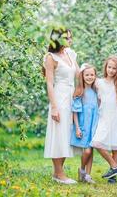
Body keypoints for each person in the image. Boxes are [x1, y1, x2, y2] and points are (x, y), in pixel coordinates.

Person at [43, 28, 80, 184]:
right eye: (67, 38)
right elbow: (50, 84)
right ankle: (59, 173)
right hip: (59, 96)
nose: (70, 41)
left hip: (71, 96)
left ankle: (59, 172)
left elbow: (79, 74)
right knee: (58, 133)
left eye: (71, 38)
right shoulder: (50, 57)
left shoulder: (70, 54)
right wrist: (54, 107)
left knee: (67, 133)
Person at [91, 55, 117, 183]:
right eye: (109, 67)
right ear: (105, 67)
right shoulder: (98, 83)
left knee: (115, 147)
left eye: (114, 68)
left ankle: (113, 178)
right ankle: (115, 166)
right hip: (104, 118)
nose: (111, 70)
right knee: (97, 142)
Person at [70, 63, 99, 184]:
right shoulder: (79, 91)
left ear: (95, 76)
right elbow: (75, 112)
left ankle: (88, 175)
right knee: (86, 151)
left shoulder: (96, 91)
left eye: (92, 75)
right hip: (83, 125)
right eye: (87, 75)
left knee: (91, 150)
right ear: (82, 76)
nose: (89, 77)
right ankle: (82, 169)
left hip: (94, 124)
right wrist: (77, 128)